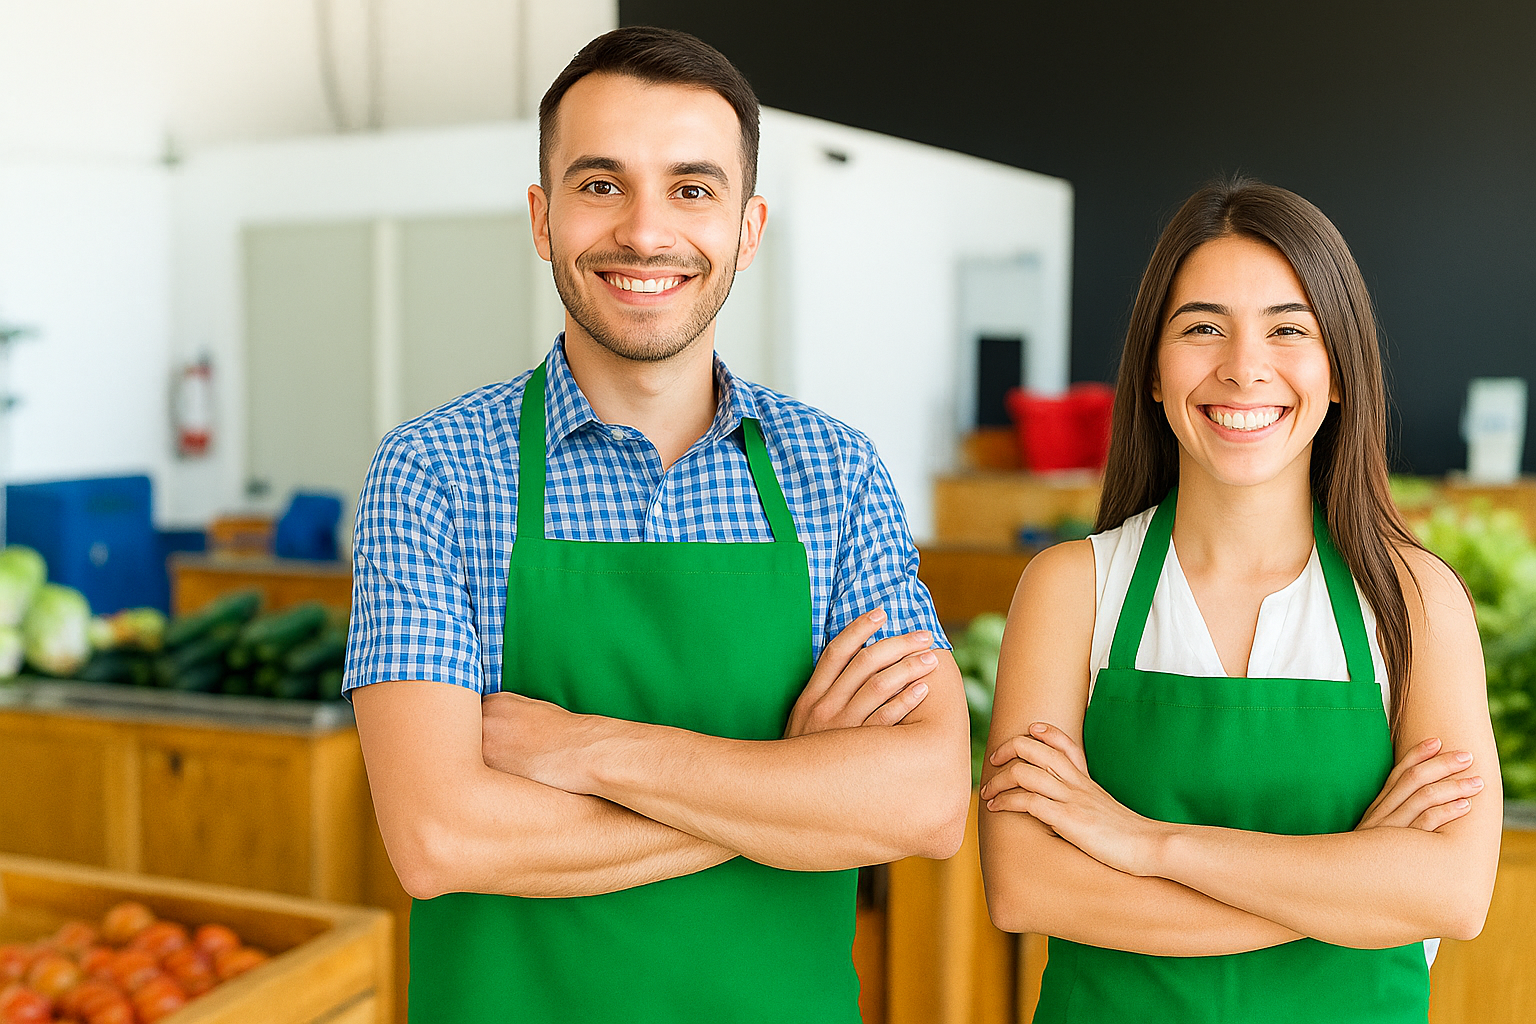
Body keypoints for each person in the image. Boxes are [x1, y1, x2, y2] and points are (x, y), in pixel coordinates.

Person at [343, 25, 971, 1024]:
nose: (645, 231)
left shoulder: (837, 474)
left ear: (747, 227)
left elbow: (929, 802)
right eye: (601, 185)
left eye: (691, 187)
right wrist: (790, 789)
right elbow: (439, 838)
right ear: (543, 219)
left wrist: (588, 748)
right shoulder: (435, 471)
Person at [978, 178, 1501, 1022]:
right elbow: (1029, 887)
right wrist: (1348, 883)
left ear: (1339, 375)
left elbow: (1452, 893)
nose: (1243, 366)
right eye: (1202, 328)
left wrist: (1147, 845)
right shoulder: (1072, 589)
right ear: (1152, 372)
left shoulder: (1413, 601)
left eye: (1288, 329)